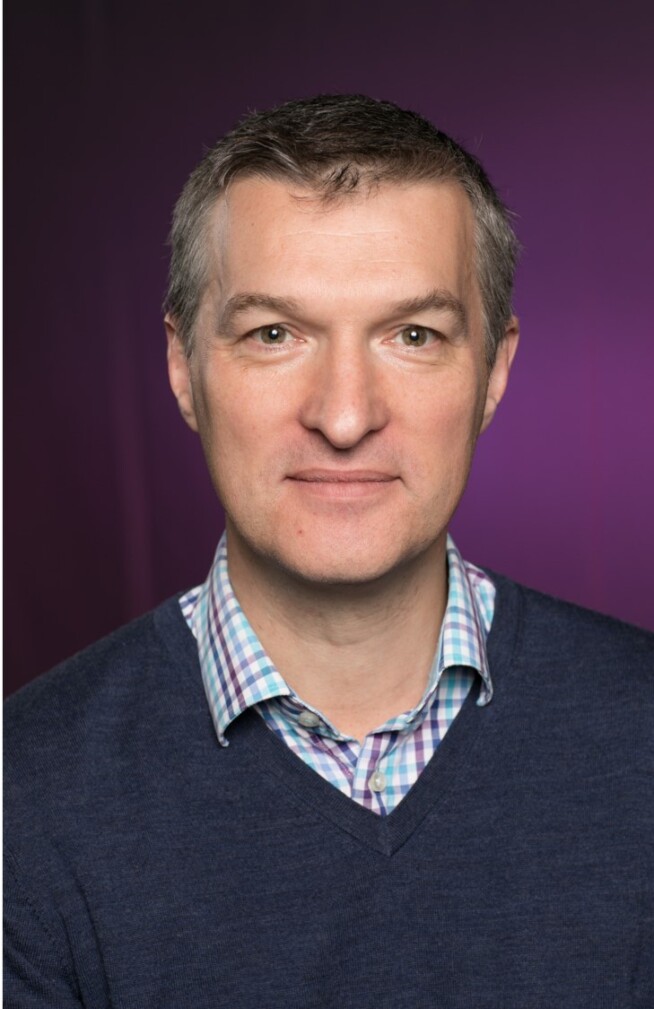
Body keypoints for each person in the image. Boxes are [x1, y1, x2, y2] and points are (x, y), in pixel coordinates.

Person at [4, 94, 653, 1009]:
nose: (345, 416)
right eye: (274, 334)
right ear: (184, 368)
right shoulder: (21, 800)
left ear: (494, 372)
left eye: (414, 335)